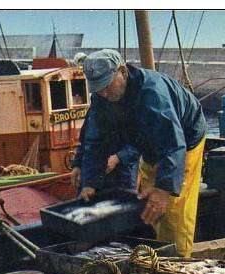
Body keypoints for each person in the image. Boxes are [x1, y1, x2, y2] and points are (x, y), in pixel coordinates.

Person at [79, 49, 206, 257]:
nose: (103, 93)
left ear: (122, 71)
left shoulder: (152, 93)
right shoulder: (102, 98)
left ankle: (179, 261)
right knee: (150, 207)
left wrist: (164, 189)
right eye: (98, 88)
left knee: (173, 209)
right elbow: (95, 141)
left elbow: (173, 144)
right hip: (147, 143)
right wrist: (90, 182)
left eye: (107, 85)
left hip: (184, 137)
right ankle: (156, 257)